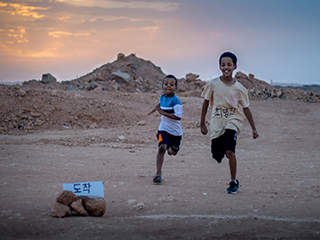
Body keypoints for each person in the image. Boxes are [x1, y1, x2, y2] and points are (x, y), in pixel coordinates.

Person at [200, 52, 259, 194]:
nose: (226, 67)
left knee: (230, 150)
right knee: (217, 154)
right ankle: (220, 152)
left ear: (235, 66)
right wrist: (202, 123)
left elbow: (246, 108)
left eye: (229, 65)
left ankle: (233, 181)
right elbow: (206, 102)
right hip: (217, 121)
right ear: (220, 67)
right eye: (223, 65)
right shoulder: (212, 84)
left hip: (233, 120)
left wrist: (254, 128)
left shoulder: (240, 89)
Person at [148, 74, 183, 183]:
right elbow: (161, 103)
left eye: (171, 85)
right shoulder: (162, 97)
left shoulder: (176, 101)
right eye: (166, 84)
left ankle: (171, 149)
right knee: (161, 148)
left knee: (173, 152)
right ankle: (158, 175)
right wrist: (155, 109)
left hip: (175, 133)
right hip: (163, 129)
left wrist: (163, 113)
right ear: (162, 86)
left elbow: (178, 116)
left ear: (175, 88)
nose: (168, 86)